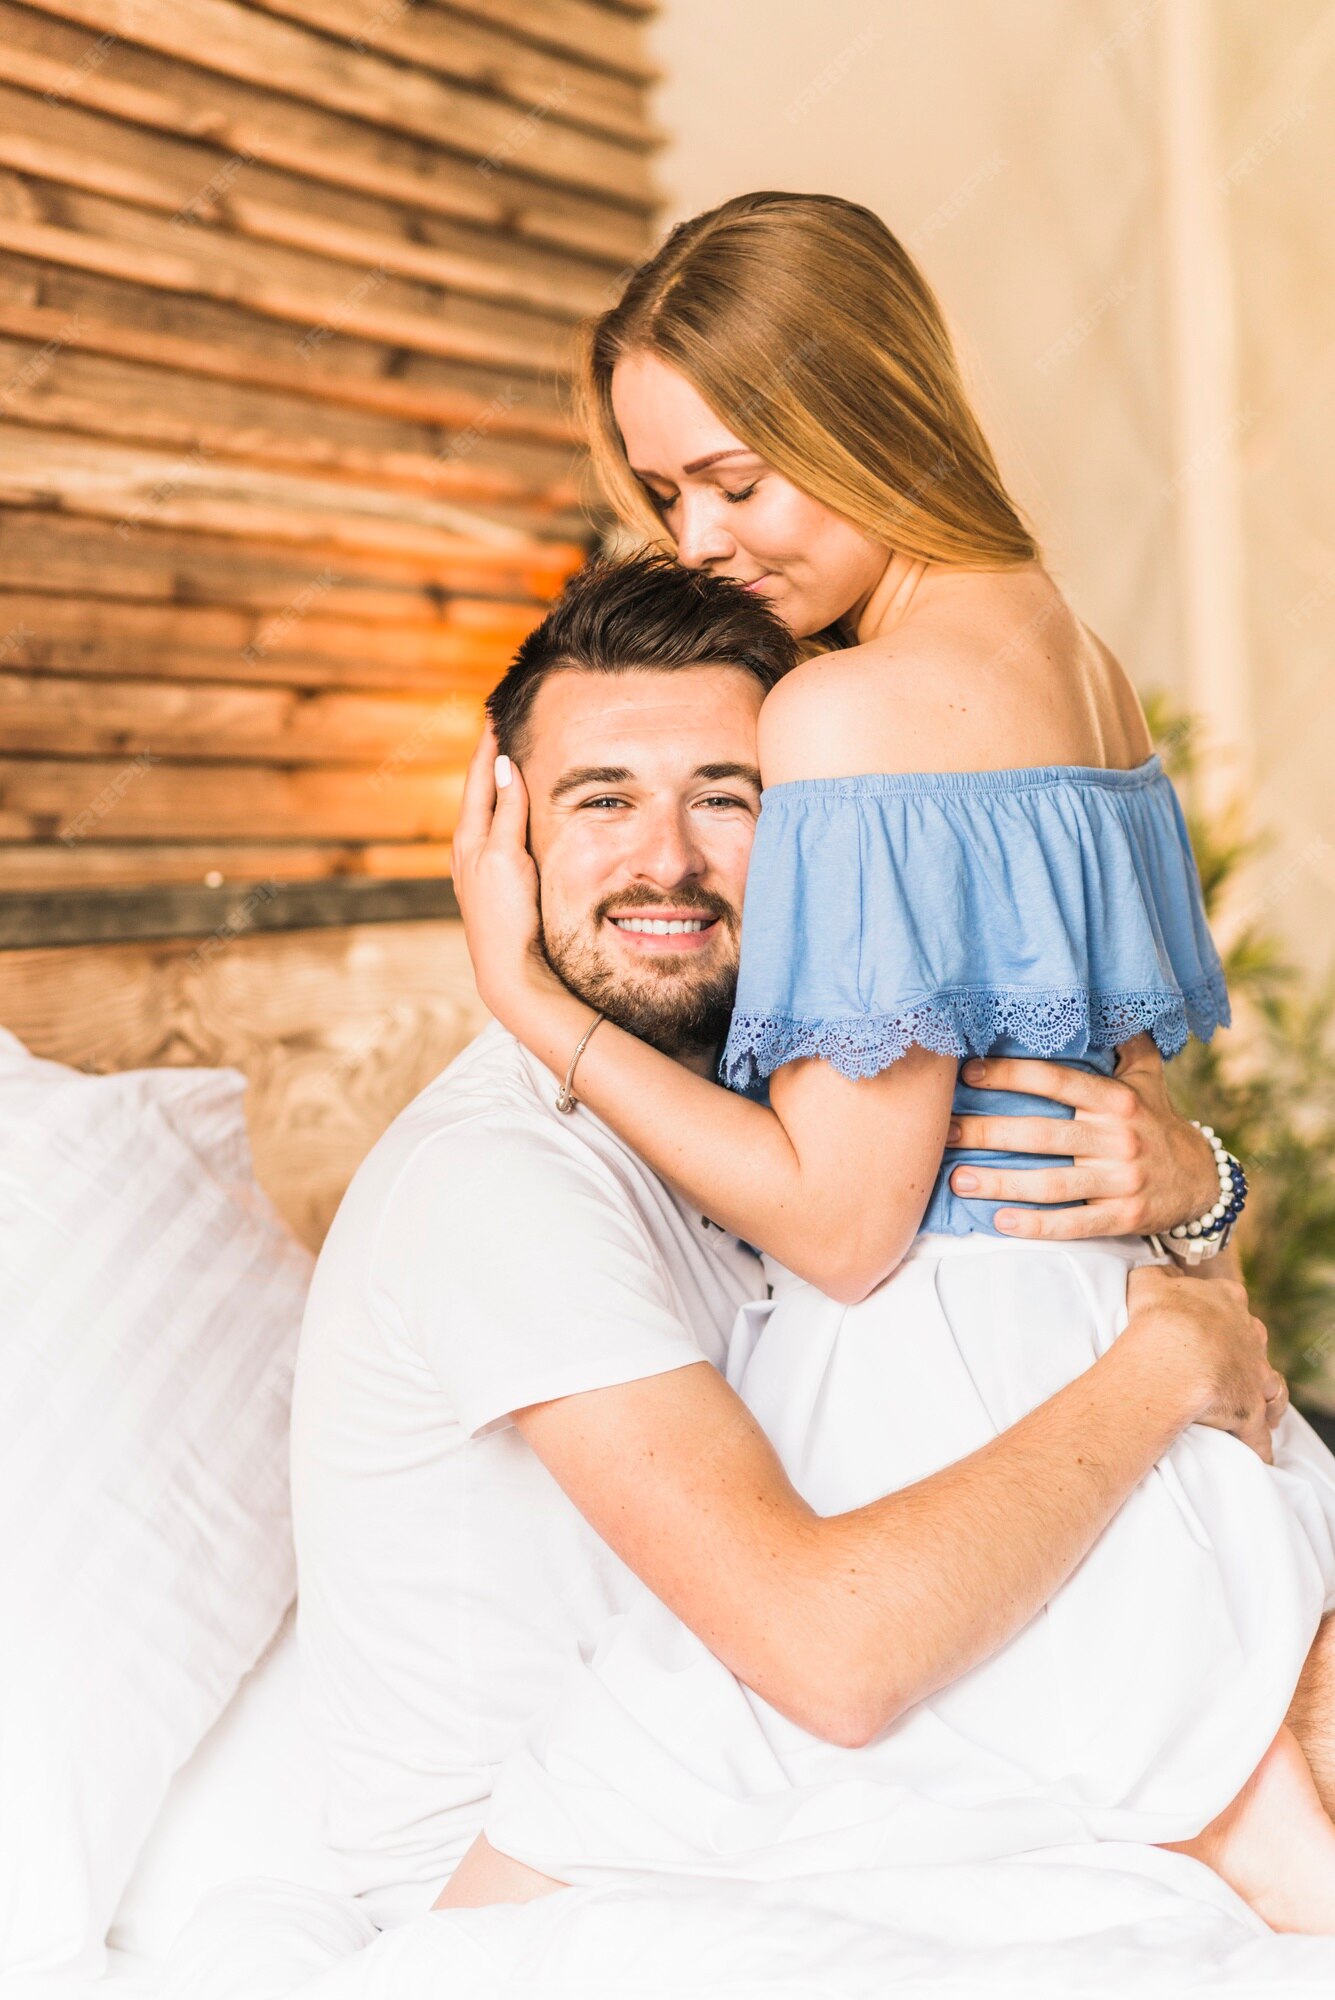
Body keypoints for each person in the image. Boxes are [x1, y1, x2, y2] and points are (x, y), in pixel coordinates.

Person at [440, 192, 1335, 1932]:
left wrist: (533, 1008)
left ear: (869, 409)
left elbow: (846, 1226)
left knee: (530, 1885)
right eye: (667, 491)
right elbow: (1145, 1125)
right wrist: (1207, 1187)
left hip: (947, 1397)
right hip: (1112, 1339)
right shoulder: (1084, 665)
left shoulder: (845, 717)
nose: (700, 537)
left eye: (740, 480)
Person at [288, 556, 1292, 1930]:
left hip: (826, 1772)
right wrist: (1161, 1367)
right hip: (556, 1888)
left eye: (726, 798)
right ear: (503, 835)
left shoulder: (801, 1117)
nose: (667, 861)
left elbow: (1100, 1237)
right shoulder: (501, 1185)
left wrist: (1199, 1186)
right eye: (603, 802)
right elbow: (835, 1657)